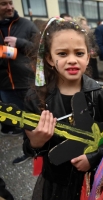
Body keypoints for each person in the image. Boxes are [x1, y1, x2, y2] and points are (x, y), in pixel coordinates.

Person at [22, 18, 103, 199]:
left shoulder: (101, 93)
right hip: (55, 183)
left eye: (78, 53)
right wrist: (36, 143)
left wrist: (94, 157)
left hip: (93, 180)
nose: (72, 60)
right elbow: (29, 148)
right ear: (49, 58)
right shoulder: (36, 98)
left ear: (88, 56)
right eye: (62, 54)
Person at [0, 0, 38, 165]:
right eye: (3, 4)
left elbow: (41, 47)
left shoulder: (26, 25)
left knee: (31, 118)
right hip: (5, 84)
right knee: (19, 120)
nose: (9, 7)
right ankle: (29, 149)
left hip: (25, 81)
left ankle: (36, 149)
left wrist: (20, 43)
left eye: (10, 2)